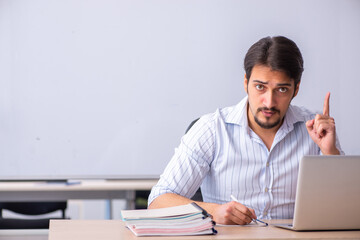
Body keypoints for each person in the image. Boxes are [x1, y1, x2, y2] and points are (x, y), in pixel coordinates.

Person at [147, 36, 344, 225]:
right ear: (245, 83)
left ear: (296, 89)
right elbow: (157, 202)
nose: (269, 102)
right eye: (260, 87)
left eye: (282, 89)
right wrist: (213, 212)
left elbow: (345, 208)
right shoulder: (211, 130)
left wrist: (330, 153)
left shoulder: (316, 131)